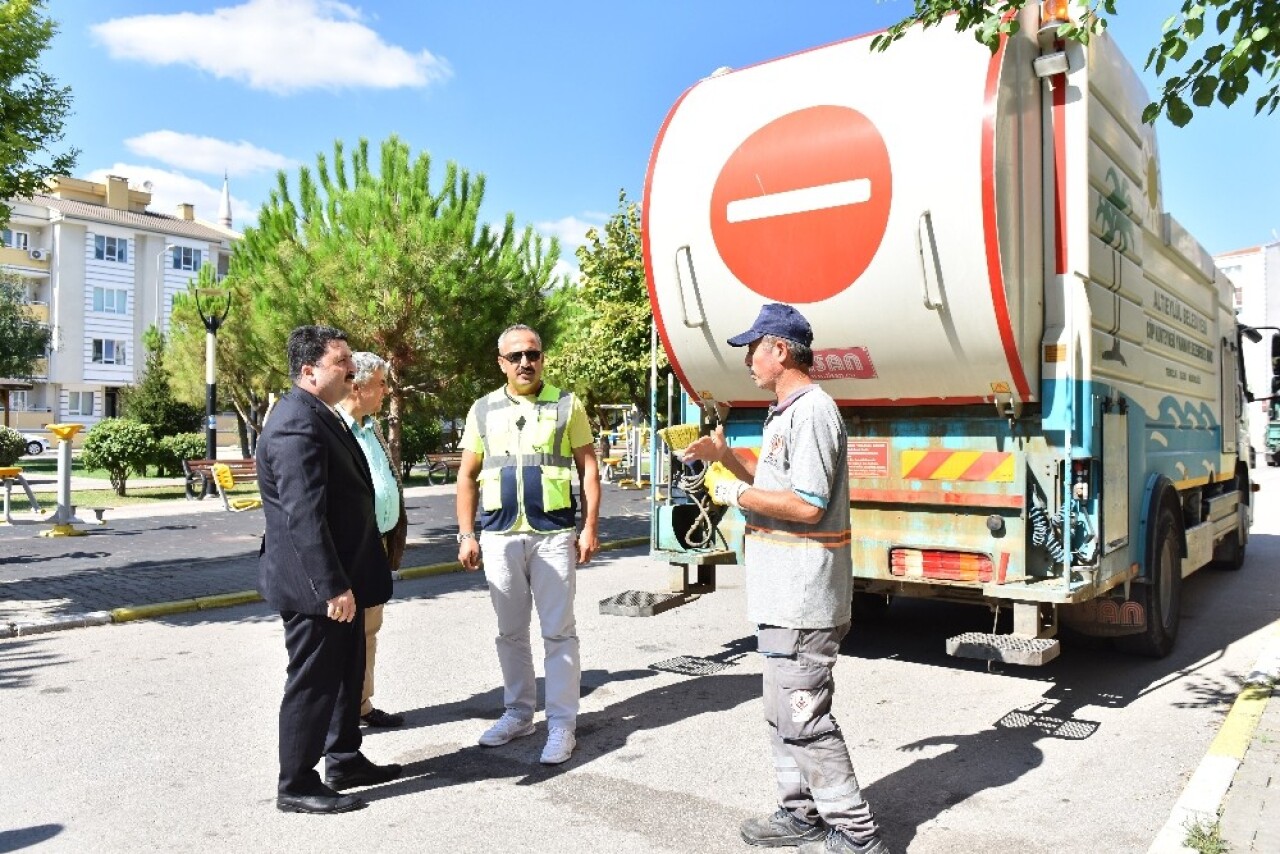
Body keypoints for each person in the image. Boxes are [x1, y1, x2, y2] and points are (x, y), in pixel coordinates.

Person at [683, 304, 889, 854]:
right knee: (781, 714)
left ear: (779, 349)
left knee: (805, 717)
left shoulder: (814, 411)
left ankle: (857, 835)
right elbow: (779, 485)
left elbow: (808, 505)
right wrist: (727, 459)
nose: (747, 358)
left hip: (804, 598)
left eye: (753, 348)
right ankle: (801, 814)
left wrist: (733, 494)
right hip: (779, 598)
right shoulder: (783, 412)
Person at [257, 325, 401, 814]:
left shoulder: (323, 415)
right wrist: (332, 585)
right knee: (314, 680)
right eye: (341, 360)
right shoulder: (297, 422)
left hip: (346, 576)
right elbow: (304, 514)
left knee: (345, 673)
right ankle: (296, 782)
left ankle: (344, 757)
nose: (350, 368)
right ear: (308, 370)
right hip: (316, 584)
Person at [455, 324, 600, 766]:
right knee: (510, 633)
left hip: (553, 533)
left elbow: (589, 470)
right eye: (515, 356)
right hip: (499, 534)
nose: (525, 362)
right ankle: (518, 713)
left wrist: (590, 527)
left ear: (542, 358)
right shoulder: (482, 410)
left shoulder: (566, 404)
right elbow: (466, 476)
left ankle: (561, 725)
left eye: (532, 354)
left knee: (559, 633)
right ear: (501, 363)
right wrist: (466, 533)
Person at [336, 351, 408, 729]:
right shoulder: (335, 428)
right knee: (346, 635)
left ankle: (361, 705)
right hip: (351, 549)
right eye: (380, 383)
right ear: (358, 385)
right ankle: (342, 712)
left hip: (377, 545)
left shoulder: (371, 426)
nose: (385, 390)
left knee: (369, 630)